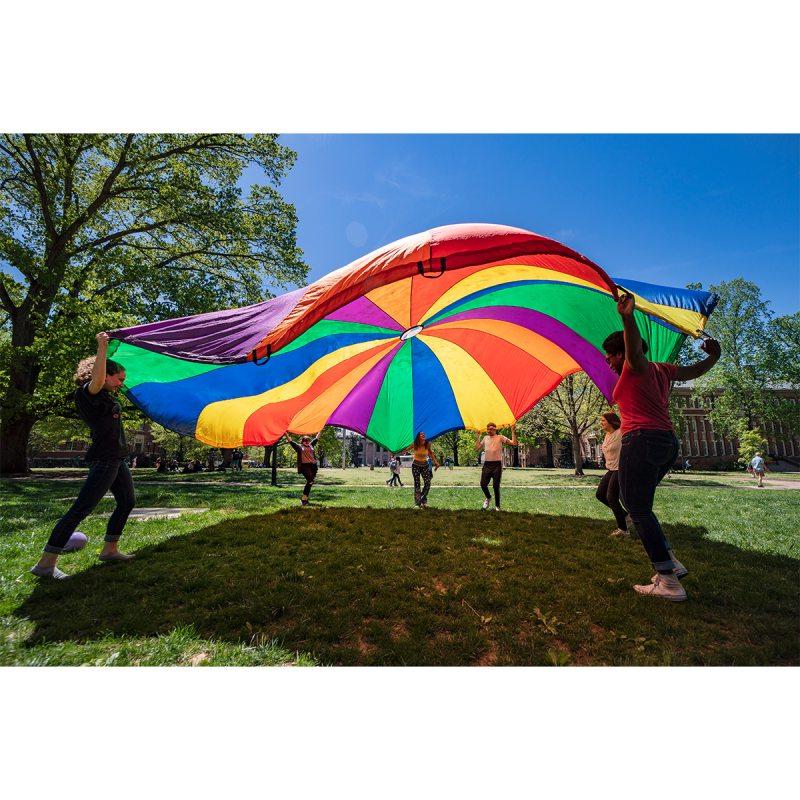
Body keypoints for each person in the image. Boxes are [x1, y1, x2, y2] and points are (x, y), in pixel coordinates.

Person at [603, 294, 721, 601]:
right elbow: (693, 372)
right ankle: (670, 563)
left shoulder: (635, 366)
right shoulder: (663, 369)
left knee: (637, 508)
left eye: (609, 355)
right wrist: (714, 357)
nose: (608, 361)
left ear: (622, 353)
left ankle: (668, 581)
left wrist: (627, 318)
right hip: (666, 442)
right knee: (638, 505)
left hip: (641, 440)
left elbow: (633, 351)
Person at [30, 333, 136, 580]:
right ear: (105, 375)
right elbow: (96, 379)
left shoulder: (106, 397)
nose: (122, 383)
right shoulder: (88, 393)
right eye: (119, 378)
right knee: (81, 509)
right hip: (105, 459)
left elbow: (104, 383)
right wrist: (103, 347)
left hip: (117, 458)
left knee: (127, 502)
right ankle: (46, 563)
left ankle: (109, 549)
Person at [595, 412, 629, 537]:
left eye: (603, 420)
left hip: (620, 469)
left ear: (611, 422)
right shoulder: (607, 435)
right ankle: (625, 516)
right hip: (611, 469)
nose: (601, 423)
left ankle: (623, 529)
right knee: (600, 495)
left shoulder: (620, 432)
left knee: (611, 497)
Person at [475, 423, 518, 511]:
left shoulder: (500, 437)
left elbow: (514, 443)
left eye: (490, 429)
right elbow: (477, 447)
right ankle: (488, 497)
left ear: (495, 429)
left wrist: (513, 431)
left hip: (497, 465)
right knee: (483, 484)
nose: (488, 431)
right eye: (488, 429)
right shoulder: (485, 438)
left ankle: (497, 507)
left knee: (496, 486)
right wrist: (478, 436)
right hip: (487, 464)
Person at [284, 432, 321, 506]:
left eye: (308, 440)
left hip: (313, 466)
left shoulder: (311, 445)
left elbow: (317, 438)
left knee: (310, 482)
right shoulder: (299, 447)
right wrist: (285, 433)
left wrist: (321, 429)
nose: (307, 441)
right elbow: (290, 441)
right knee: (310, 480)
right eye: (305, 440)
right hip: (305, 466)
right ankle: (304, 499)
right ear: (302, 441)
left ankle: (304, 498)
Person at [408, 432, 439, 508]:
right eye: (421, 434)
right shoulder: (415, 444)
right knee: (417, 484)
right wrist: (395, 452)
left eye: (424, 434)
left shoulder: (427, 444)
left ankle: (422, 499)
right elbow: (405, 449)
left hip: (425, 465)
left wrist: (436, 462)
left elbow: (430, 453)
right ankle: (418, 502)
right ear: (418, 436)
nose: (423, 435)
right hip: (415, 465)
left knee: (428, 482)